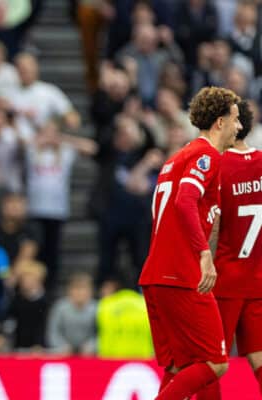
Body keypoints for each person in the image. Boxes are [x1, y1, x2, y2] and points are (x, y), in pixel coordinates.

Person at [138, 86, 242, 399]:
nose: (240, 127)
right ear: (220, 123)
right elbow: (185, 200)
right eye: (236, 120)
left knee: (183, 365)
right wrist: (204, 255)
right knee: (215, 362)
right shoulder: (205, 155)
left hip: (157, 276)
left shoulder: (175, 159)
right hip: (181, 275)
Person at [197, 101, 262, 398]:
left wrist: (202, 260)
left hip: (225, 281)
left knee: (210, 360)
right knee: (259, 357)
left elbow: (214, 224)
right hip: (258, 279)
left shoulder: (219, 165)